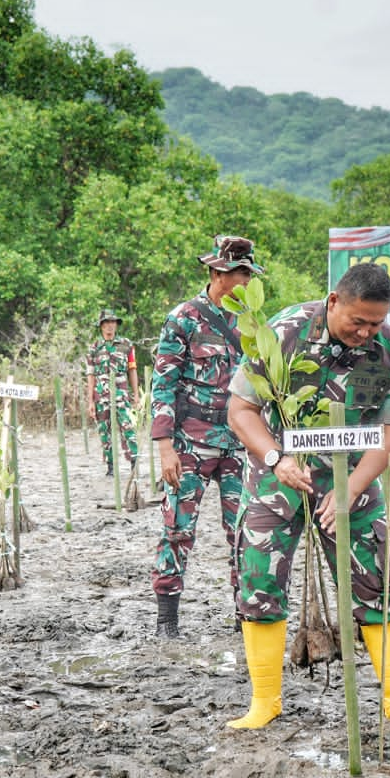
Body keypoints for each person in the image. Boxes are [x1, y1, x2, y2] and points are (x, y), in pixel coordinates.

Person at [226, 262, 390, 729]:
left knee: (379, 578)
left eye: (376, 322)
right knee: (259, 580)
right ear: (333, 302)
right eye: (358, 321)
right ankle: (264, 703)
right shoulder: (283, 332)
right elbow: (241, 410)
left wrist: (349, 490)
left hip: (353, 475)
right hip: (279, 474)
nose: (366, 332)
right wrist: (276, 459)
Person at [148, 235, 259, 639]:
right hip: (190, 443)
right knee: (177, 529)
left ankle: (244, 614)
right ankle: (167, 621)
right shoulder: (185, 318)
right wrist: (165, 447)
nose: (246, 279)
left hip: (239, 444)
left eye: (248, 272)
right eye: (239, 273)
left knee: (245, 531)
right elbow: (163, 384)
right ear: (217, 273)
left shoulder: (252, 323)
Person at [87, 309, 139, 475]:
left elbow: (132, 370)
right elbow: (90, 375)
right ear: (101, 326)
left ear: (116, 325)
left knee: (128, 428)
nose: (110, 326)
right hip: (101, 396)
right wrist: (90, 401)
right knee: (104, 431)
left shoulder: (126, 345)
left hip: (121, 395)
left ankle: (134, 462)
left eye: (112, 322)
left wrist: (136, 394)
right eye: (106, 323)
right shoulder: (94, 348)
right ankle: (110, 466)